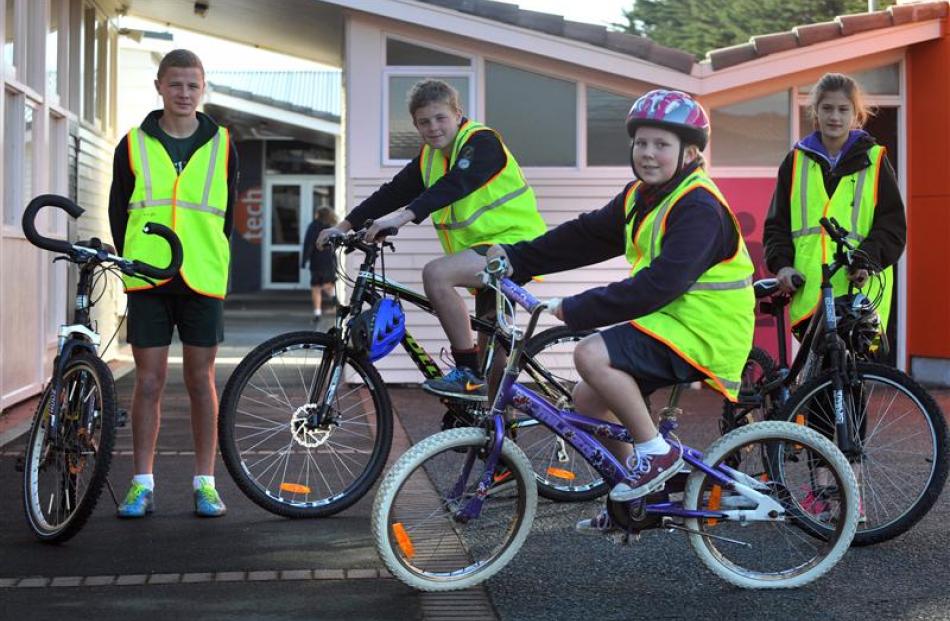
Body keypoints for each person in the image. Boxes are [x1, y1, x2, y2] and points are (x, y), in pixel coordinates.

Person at [487, 90, 755, 532]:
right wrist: (517, 259)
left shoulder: (699, 206)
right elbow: (582, 237)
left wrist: (575, 308)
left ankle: (656, 454)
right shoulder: (641, 196)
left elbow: (659, 285)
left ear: (689, 152)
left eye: (661, 145)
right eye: (641, 143)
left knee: (590, 354)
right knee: (588, 400)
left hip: (707, 328)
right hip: (673, 320)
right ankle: (639, 496)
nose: (648, 153)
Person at [316, 79, 546, 401]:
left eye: (440, 118)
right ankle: (497, 433)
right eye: (424, 122)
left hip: (516, 246)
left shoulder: (482, 143)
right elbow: (392, 192)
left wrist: (399, 219)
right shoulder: (429, 158)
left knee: (437, 274)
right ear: (415, 125)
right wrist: (343, 225)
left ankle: (465, 372)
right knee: (493, 356)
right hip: (484, 253)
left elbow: (456, 183)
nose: (433, 127)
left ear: (458, 114)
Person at [108, 49, 237, 518]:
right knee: (149, 381)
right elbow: (118, 209)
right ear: (159, 85)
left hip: (202, 276)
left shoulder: (223, 143)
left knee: (201, 380)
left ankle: (205, 483)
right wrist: (131, 264)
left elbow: (227, 215)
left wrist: (214, 261)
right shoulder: (132, 144)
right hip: (148, 276)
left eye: (193, 85)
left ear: (203, 89)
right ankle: (142, 483)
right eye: (176, 84)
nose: (184, 93)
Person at [763, 72, 906, 336]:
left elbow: (892, 226)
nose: (835, 117)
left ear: (855, 114)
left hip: (858, 297)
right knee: (816, 376)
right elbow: (777, 224)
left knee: (852, 375)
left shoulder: (875, 160)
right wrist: (782, 264)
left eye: (843, 109)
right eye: (827, 108)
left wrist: (866, 260)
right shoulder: (794, 162)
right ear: (815, 111)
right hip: (809, 293)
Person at [302, 206, 339, 320]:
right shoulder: (331, 228)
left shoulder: (313, 226)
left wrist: (304, 260)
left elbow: (308, 244)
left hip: (317, 260)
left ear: (318, 214)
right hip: (329, 260)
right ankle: (336, 304)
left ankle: (317, 313)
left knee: (316, 287)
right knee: (328, 286)